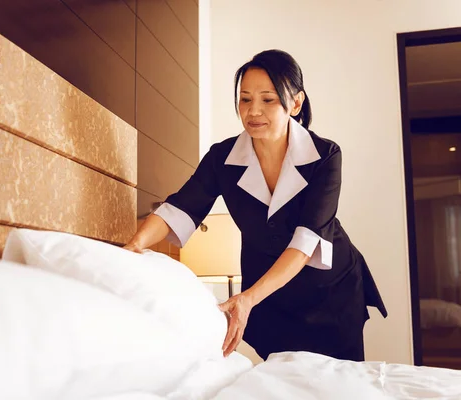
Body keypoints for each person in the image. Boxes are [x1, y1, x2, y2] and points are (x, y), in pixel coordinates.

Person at [124, 50, 387, 362]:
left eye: (268, 99)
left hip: (330, 294)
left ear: (296, 103)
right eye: (245, 99)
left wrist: (247, 299)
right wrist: (133, 247)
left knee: (339, 385)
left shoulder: (325, 156)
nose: (253, 111)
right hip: (269, 298)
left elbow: (306, 242)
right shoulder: (223, 158)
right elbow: (181, 207)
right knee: (281, 384)